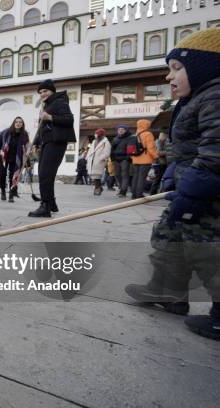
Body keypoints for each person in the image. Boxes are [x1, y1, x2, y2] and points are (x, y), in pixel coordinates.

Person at [125, 28, 220, 340]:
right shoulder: (194, 99)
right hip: (188, 189)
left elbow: (215, 151)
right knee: (168, 236)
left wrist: (192, 188)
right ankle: (168, 291)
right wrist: (172, 177)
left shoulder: (215, 97)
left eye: (176, 68)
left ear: (205, 67)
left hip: (207, 196)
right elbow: (184, 148)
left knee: (205, 250)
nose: (169, 77)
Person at [29, 79, 76, 217]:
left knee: (45, 174)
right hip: (47, 142)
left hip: (56, 142)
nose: (42, 94)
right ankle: (51, 203)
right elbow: (42, 129)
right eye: (41, 92)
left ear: (52, 91)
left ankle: (45, 206)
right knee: (44, 173)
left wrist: (50, 117)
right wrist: (34, 144)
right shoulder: (47, 105)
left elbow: (69, 119)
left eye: (45, 91)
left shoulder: (60, 102)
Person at [0, 116, 29, 202]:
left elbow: (27, 145)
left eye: (20, 122)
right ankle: (3, 192)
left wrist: (28, 151)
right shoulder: (6, 132)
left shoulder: (24, 134)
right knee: (2, 174)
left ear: (22, 124)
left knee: (14, 175)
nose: (18, 123)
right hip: (4, 156)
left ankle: (11, 195)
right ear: (14, 123)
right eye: (16, 122)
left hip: (16, 157)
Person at [130, 119, 158, 199]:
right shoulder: (148, 134)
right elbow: (150, 148)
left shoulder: (135, 134)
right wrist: (155, 156)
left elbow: (131, 149)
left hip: (135, 159)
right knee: (142, 177)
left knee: (136, 176)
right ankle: (139, 194)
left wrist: (133, 157)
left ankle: (134, 194)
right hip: (145, 159)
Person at [86, 128, 111, 196]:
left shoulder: (106, 142)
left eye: (97, 134)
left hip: (99, 161)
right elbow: (90, 150)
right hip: (92, 160)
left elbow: (107, 153)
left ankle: (97, 188)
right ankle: (99, 187)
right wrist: (88, 157)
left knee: (97, 176)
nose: (96, 135)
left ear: (101, 135)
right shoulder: (94, 141)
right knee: (93, 175)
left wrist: (100, 158)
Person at [110, 124, 133, 197]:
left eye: (122, 129)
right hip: (116, 159)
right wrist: (112, 158)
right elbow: (112, 149)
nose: (120, 130)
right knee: (117, 175)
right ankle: (121, 188)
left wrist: (128, 158)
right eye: (119, 129)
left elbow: (131, 149)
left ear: (126, 130)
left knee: (124, 175)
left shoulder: (130, 138)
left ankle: (123, 191)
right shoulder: (115, 138)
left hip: (125, 159)